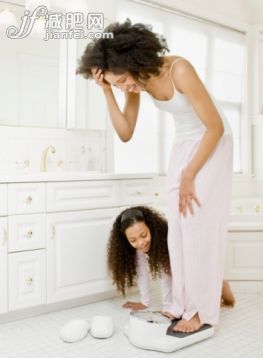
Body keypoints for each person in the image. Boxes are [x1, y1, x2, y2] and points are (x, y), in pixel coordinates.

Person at [77, 19, 233, 333]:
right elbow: (125, 133)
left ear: (134, 61)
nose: (125, 87)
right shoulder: (139, 82)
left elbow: (214, 127)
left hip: (212, 142)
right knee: (176, 230)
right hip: (184, 146)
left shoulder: (179, 70)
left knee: (196, 226)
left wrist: (190, 174)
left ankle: (201, 310)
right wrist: (107, 91)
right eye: (117, 83)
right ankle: (181, 302)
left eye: (122, 80)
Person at [107, 206, 235, 317]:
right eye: (133, 240)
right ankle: (214, 285)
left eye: (144, 235)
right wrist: (144, 302)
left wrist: (168, 307)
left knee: (197, 298)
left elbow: (167, 277)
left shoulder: (166, 241)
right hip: (183, 268)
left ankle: (218, 284)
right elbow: (142, 274)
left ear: (151, 228)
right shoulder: (138, 248)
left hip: (193, 258)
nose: (140, 243)